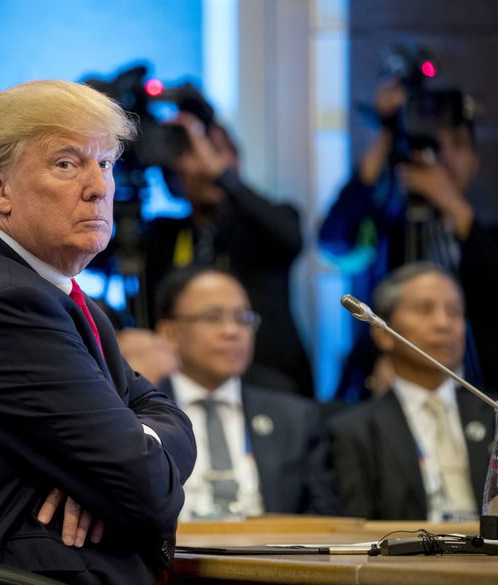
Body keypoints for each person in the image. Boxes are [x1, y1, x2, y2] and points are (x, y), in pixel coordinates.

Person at [0, 80, 196, 584]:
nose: (98, 187)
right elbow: (147, 485)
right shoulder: (2, 304)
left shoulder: (52, 293)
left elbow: (163, 414)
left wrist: (109, 472)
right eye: (67, 164)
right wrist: (116, 475)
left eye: (106, 163)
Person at [319, 79, 498, 400]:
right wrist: (388, 131)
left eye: (456, 144)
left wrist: (451, 204)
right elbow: (333, 239)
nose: (441, 156)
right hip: (379, 388)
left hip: (479, 389)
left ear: (475, 160)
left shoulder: (484, 236)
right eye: (432, 144)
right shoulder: (383, 228)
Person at [142, 113, 312, 397]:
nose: (204, 166)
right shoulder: (161, 234)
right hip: (182, 387)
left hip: (274, 385)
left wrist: (223, 177)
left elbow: (291, 239)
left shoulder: (267, 222)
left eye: (216, 152)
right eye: (192, 155)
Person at [151, 267, 337, 519]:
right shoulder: (139, 413)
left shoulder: (295, 417)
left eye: (243, 319)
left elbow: (324, 515)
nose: (232, 331)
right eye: (213, 318)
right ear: (169, 332)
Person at [328, 262, 495, 521]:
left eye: (454, 311)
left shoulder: (491, 412)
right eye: (424, 310)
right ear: (383, 333)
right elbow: (354, 532)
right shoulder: (354, 431)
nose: (444, 323)